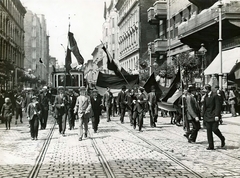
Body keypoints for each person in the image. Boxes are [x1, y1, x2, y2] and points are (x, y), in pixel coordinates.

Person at [202, 84, 225, 150]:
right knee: (208, 131)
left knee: (214, 129)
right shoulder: (205, 97)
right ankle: (211, 145)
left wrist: (217, 115)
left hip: (214, 115)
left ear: (207, 89)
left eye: (204, 90)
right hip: (207, 115)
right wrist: (203, 116)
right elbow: (205, 108)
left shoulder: (215, 96)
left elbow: (218, 106)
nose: (204, 91)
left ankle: (222, 138)